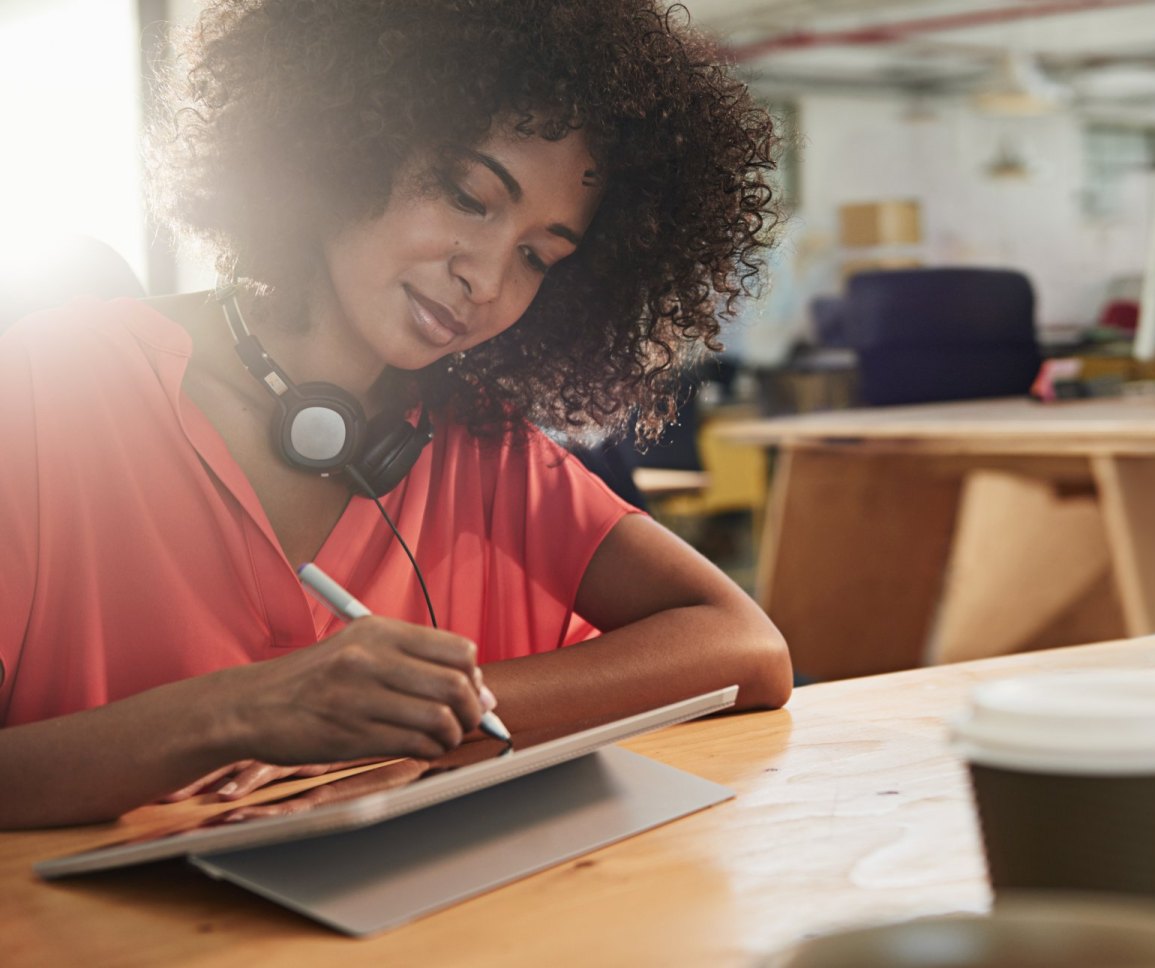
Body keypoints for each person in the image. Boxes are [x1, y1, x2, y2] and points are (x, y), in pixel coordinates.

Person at [0, 0, 792, 829]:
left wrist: (421, 720)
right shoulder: (52, 382)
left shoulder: (477, 443)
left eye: (537, 256)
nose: (486, 280)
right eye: (467, 195)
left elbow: (745, 647)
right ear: (342, 139)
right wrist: (239, 712)